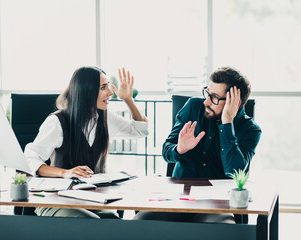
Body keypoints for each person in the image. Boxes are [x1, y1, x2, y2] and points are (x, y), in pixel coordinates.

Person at [134, 66, 261, 223]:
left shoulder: (250, 130)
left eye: (214, 97)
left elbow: (234, 172)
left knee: (223, 229)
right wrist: (179, 149)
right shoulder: (193, 106)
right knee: (140, 222)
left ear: (234, 102)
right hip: (179, 198)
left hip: (218, 203)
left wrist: (227, 123)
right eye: (207, 93)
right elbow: (167, 152)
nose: (206, 101)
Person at [25, 66, 148, 218]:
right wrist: (65, 173)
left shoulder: (105, 117)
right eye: (103, 88)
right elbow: (30, 160)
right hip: (56, 200)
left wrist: (128, 100)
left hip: (91, 198)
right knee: (91, 223)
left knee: (113, 222)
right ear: (86, 91)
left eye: (108, 86)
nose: (110, 92)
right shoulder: (57, 122)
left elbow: (141, 131)